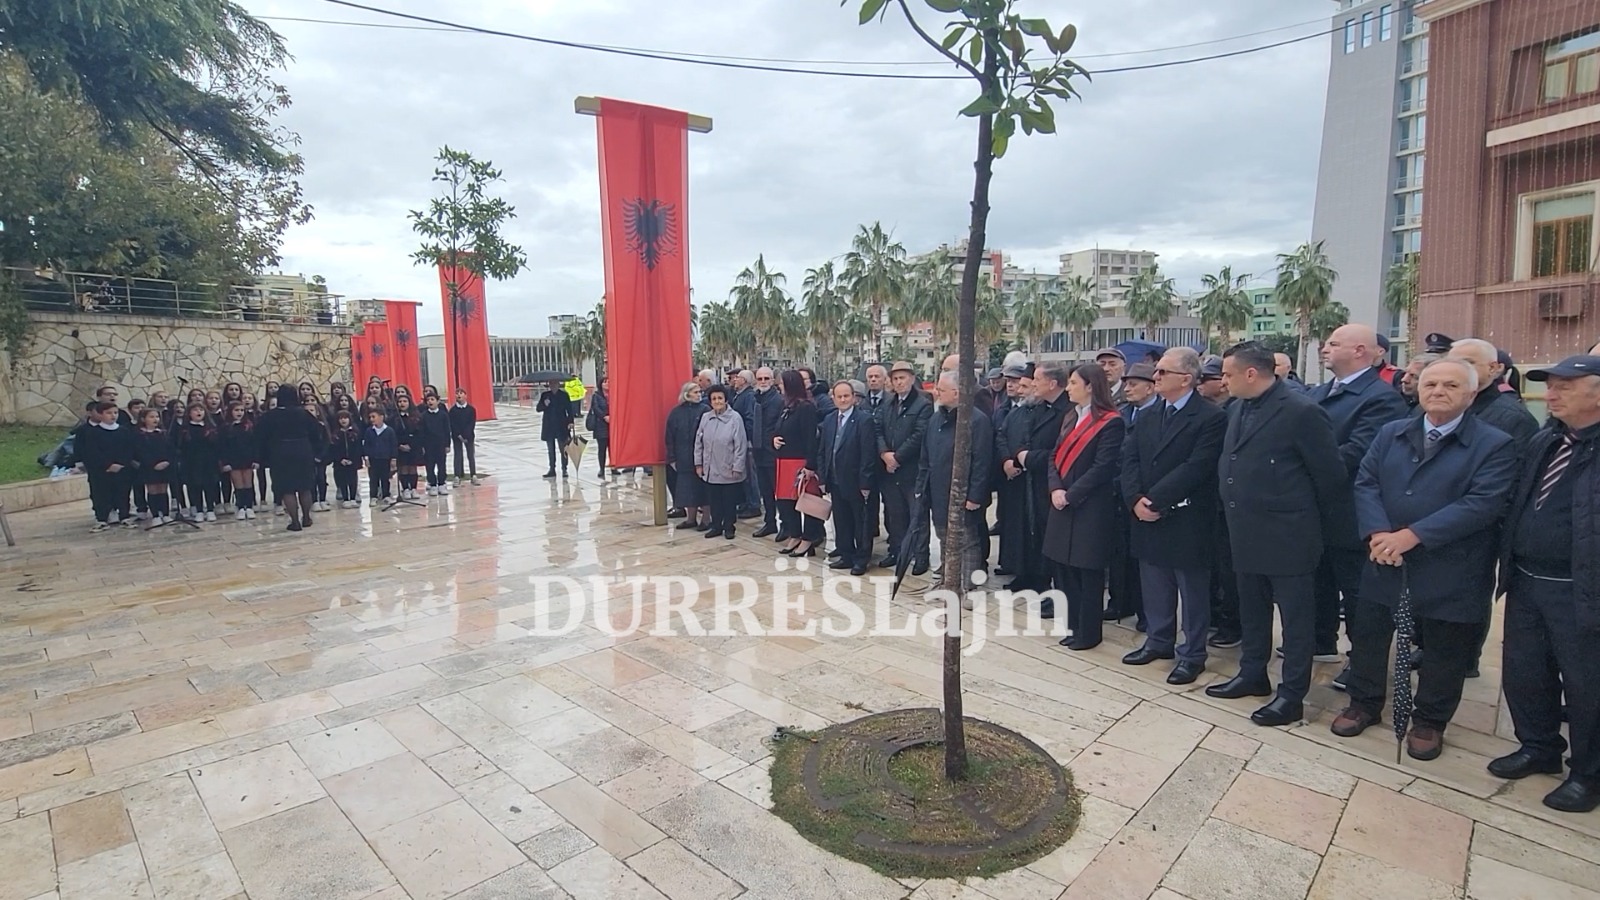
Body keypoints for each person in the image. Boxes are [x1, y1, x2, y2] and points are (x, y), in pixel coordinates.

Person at [1332, 358, 1517, 760]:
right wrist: (1379, 533)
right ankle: (1364, 702)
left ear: (1470, 394)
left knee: (1444, 648)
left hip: (1451, 562)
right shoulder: (1391, 433)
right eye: (1431, 383)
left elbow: (1482, 504)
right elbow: (1366, 482)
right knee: (1368, 634)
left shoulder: (1494, 443)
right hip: (1384, 555)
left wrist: (1413, 535)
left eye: (1451, 385)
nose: (1438, 391)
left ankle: (1429, 721)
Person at [1206, 342, 1346, 727]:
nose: (1223, 380)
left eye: (1229, 374)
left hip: (1289, 535)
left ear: (1252, 373)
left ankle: (1291, 695)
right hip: (1245, 530)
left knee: (1296, 620)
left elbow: (1330, 476)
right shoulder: (1237, 407)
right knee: (1252, 610)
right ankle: (1253, 674)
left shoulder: (1301, 411)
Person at [1491, 353, 1600, 813]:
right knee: (1525, 671)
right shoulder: (1548, 439)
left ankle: (1587, 774)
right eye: (1550, 385)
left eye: (1565, 386)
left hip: (1580, 588)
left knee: (1585, 684)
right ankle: (1538, 746)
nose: (1551, 394)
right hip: (1528, 580)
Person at [1307, 324, 1410, 678]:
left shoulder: (1381, 398)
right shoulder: (1319, 392)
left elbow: (1359, 452)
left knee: (1356, 593)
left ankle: (1361, 663)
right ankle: (1320, 642)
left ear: (1360, 352)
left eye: (1334, 344)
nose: (1325, 348)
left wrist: (1304, 467)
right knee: (1317, 581)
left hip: (1352, 514)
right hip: (1315, 509)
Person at [1120, 348, 1227, 685]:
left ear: (1186, 378)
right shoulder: (1149, 414)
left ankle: (1192, 654)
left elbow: (1196, 467)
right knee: (1154, 584)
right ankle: (1158, 640)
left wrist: (1156, 500)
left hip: (1186, 516)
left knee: (1192, 591)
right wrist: (1136, 498)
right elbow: (1131, 459)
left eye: (1163, 372)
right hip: (1146, 513)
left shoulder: (1210, 417)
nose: (1156, 377)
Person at [1042, 364, 1125, 650]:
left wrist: (1071, 494)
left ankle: (1089, 632)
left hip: (1090, 507)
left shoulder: (1111, 422)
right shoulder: (1070, 417)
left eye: (1074, 383)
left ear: (1091, 386)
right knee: (1063, 567)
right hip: (1061, 502)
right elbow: (1054, 456)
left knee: (1086, 571)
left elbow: (1103, 467)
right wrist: (1055, 488)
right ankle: (1073, 625)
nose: (1068, 388)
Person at [918, 372, 994, 593]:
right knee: (943, 537)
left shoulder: (976, 420)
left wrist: (975, 496)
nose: (936, 393)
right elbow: (926, 455)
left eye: (941, 390)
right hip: (938, 489)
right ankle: (948, 580)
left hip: (964, 493)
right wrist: (922, 486)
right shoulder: (936, 418)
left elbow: (982, 461)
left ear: (957, 392)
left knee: (968, 541)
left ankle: (969, 587)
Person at [1014, 363, 1073, 602]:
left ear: (1052, 383)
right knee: (1039, 536)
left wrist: (1028, 457)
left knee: (1055, 541)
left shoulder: (1068, 411)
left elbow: (1059, 451)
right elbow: (1025, 438)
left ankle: (1060, 593)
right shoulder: (1040, 408)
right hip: (1034, 482)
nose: (1032, 384)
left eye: (1037, 379)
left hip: (1055, 483)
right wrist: (1020, 453)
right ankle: (1043, 585)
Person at [1107, 363, 1160, 627]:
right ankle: (1120, 602)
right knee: (1119, 553)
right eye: (1126, 384)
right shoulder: (1122, 413)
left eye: (1134, 384)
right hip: (1119, 492)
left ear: (1151, 387)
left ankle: (1145, 612)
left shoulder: (1159, 415)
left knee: (1144, 561)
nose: (1127, 388)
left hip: (1146, 496)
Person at [877, 361, 934, 575]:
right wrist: (884, 454)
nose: (899, 382)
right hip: (890, 472)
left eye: (903, 378)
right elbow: (878, 430)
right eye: (895, 378)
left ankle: (921, 557)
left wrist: (897, 457)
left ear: (911, 379)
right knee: (895, 514)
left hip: (912, 470)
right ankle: (897, 552)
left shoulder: (923, 404)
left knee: (917, 515)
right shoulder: (888, 403)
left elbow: (919, 435)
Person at [819, 380, 879, 576]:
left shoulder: (864, 420)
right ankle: (846, 555)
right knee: (841, 520)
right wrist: (822, 477)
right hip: (835, 480)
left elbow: (868, 454)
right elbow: (823, 450)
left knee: (860, 522)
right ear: (833, 399)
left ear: (854, 398)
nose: (843, 399)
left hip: (856, 481)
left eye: (847, 396)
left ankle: (862, 559)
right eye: (839, 396)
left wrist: (866, 482)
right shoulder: (829, 420)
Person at [255, 384, 327, 531]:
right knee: (305, 487)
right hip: (303, 450)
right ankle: (306, 517)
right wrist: (316, 452)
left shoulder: (269, 416)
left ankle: (295, 521)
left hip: (280, 452)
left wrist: (263, 457)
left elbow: (260, 437)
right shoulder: (304, 414)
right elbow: (316, 432)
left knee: (287, 488)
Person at [1448, 339, 1540, 450]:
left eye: (1468, 363)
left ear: (1492, 368)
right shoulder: (1432, 407)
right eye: (1451, 363)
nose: (1457, 369)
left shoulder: (1514, 418)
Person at [772, 370, 824, 556]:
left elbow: (811, 439)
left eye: (782, 383)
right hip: (784, 461)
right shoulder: (786, 406)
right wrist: (775, 440)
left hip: (800, 462)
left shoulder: (806, 407)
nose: (779, 386)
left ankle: (809, 538)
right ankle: (794, 534)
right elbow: (778, 430)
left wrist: (810, 465)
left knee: (806, 502)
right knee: (785, 502)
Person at [994, 362, 1033, 582]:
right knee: (1007, 520)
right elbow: (1000, 435)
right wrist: (1006, 460)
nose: (1011, 386)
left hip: (1024, 475)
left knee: (1022, 525)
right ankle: (1008, 561)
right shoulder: (1004, 408)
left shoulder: (1029, 408)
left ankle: (1022, 569)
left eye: (1016, 381)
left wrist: (1016, 462)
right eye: (1008, 381)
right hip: (1005, 473)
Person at [694, 384, 748, 539]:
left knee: (729, 500)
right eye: (714, 399)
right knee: (714, 499)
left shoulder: (735, 418)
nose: (717, 401)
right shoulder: (706, 417)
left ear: (725, 400)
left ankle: (729, 527)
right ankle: (716, 525)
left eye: (720, 398)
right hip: (710, 467)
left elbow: (740, 444)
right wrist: (699, 464)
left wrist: (738, 466)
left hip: (728, 467)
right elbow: (699, 442)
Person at [80, 401, 135, 531]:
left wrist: (121, 463)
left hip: (121, 469)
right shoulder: (93, 433)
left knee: (122, 492)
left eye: (115, 413)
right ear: (100, 414)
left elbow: (129, 449)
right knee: (101, 493)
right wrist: (107, 465)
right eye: (108, 413)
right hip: (101, 470)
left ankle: (124, 516)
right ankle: (102, 519)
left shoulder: (124, 431)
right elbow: (92, 452)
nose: (113, 416)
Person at [666, 382, 710, 529]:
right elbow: (669, 436)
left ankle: (706, 519)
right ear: (687, 394)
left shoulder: (705, 410)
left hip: (702, 456)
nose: (699, 395)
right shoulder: (676, 412)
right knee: (688, 488)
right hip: (683, 455)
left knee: (703, 488)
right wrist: (672, 457)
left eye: (699, 392)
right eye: (695, 392)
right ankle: (691, 519)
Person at [751, 367, 784, 537]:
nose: (763, 381)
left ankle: (784, 525)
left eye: (766, 378)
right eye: (760, 378)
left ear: (772, 380)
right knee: (765, 491)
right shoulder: (755, 398)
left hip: (773, 452)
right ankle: (770, 522)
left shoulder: (778, 400)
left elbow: (780, 425)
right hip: (758, 451)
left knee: (778, 491)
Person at [131, 409, 178, 525]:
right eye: (151, 417)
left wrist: (167, 461)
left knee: (163, 489)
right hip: (149, 467)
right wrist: (153, 464)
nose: (155, 419)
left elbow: (170, 449)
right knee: (153, 490)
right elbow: (140, 452)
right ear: (143, 419)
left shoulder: (163, 434)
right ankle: (155, 515)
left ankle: (165, 513)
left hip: (165, 466)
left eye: (157, 416)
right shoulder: (139, 435)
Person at [174, 404, 220, 521]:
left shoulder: (211, 428)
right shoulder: (184, 430)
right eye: (195, 410)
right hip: (191, 462)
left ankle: (210, 509)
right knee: (195, 486)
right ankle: (199, 510)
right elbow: (180, 447)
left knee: (209, 486)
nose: (198, 412)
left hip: (208, 462)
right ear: (189, 413)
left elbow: (216, 446)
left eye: (201, 410)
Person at [730, 370, 764, 519]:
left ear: (744, 380)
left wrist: (747, 438)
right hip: (740, 439)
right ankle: (746, 501)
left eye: (738, 378)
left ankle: (754, 504)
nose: (735, 380)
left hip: (746, 441)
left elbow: (750, 418)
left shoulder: (748, 396)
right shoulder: (740, 395)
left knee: (750, 474)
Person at [218, 403, 259, 520]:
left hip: (247, 459)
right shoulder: (225, 428)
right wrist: (225, 462)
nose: (239, 412)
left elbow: (254, 444)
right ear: (231, 411)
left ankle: (249, 507)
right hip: (233, 460)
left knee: (248, 483)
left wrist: (256, 459)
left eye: (242, 410)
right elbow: (222, 446)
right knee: (238, 484)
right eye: (236, 410)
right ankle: (241, 507)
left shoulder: (249, 426)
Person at [538, 380, 575, 478]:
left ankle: (564, 469)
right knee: (551, 450)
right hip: (549, 426)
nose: (553, 386)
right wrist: (544, 405)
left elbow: (569, 410)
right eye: (551, 384)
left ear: (558, 385)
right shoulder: (545, 395)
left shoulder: (564, 395)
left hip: (561, 425)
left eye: (555, 384)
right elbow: (538, 408)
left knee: (563, 449)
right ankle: (552, 469)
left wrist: (571, 422)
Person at [419, 392, 453, 496]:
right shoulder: (423, 416)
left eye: (432, 399)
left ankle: (442, 483)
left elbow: (447, 430)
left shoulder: (443, 415)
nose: (430, 402)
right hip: (428, 445)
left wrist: (447, 444)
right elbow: (421, 431)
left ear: (438, 401)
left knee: (441, 465)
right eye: (428, 400)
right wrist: (422, 446)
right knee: (429, 465)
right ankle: (432, 484)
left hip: (440, 444)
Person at [329, 409, 364, 508]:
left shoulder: (355, 433)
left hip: (352, 461)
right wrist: (340, 459)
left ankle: (353, 498)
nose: (343, 421)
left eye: (345, 418)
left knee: (353, 480)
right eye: (341, 418)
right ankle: (346, 498)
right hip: (340, 463)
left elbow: (358, 448)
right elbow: (334, 449)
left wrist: (354, 459)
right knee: (343, 480)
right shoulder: (336, 434)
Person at [392, 394, 425, 499]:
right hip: (401, 448)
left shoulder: (416, 417)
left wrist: (413, 445)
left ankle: (413, 488)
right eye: (400, 401)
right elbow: (393, 434)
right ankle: (405, 488)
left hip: (413, 447)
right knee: (403, 468)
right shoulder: (395, 418)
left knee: (412, 468)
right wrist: (400, 445)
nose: (402, 403)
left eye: (405, 401)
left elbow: (419, 433)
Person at [363, 408, 398, 504]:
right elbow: (366, 445)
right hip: (373, 459)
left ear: (381, 417)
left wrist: (393, 458)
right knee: (373, 479)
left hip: (385, 459)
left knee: (385, 478)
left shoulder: (389, 431)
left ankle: (386, 495)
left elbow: (393, 445)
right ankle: (373, 496)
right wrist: (366, 457)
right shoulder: (369, 431)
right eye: (370, 417)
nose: (371, 419)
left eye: (374, 417)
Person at [448, 389, 479, 486]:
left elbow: (471, 423)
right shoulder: (452, 411)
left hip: (469, 436)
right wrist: (459, 435)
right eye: (457, 393)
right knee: (458, 455)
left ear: (465, 395)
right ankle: (457, 476)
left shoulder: (471, 409)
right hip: (457, 436)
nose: (458, 395)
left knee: (471, 455)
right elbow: (452, 424)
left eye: (461, 393)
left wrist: (466, 434)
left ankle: (473, 474)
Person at [587, 377, 612, 477]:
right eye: (605, 382)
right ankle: (602, 469)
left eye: (608, 382)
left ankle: (614, 466)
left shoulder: (613, 395)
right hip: (601, 425)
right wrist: (604, 416)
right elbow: (595, 408)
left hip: (612, 425)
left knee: (612, 448)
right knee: (602, 448)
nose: (607, 384)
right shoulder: (596, 396)